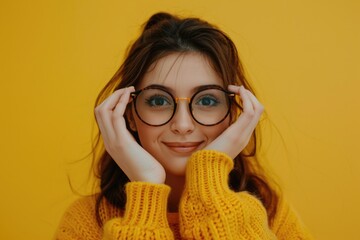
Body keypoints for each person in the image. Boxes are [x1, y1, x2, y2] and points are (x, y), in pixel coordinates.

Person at [55, 12, 312, 239]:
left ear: (234, 113)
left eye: (207, 100)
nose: (182, 124)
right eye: (158, 100)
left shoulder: (272, 214)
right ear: (129, 114)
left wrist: (209, 179)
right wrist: (147, 192)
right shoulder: (85, 224)